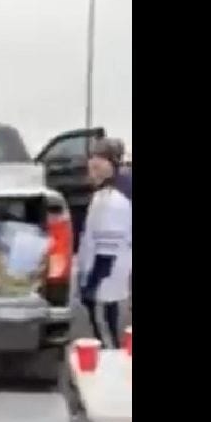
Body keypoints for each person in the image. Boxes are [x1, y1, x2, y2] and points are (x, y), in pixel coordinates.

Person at [76, 143, 132, 348]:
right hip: (107, 281)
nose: (92, 168)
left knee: (107, 336)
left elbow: (106, 253)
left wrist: (90, 286)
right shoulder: (104, 196)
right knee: (109, 324)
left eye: (97, 166)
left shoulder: (111, 201)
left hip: (104, 283)